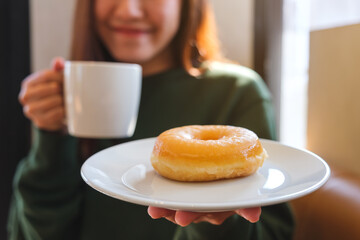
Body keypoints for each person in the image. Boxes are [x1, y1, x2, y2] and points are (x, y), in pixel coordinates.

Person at [8, 0, 294, 239]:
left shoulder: (236, 93)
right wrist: (50, 137)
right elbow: (32, 233)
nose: (130, 10)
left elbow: (274, 232)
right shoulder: (76, 95)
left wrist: (216, 221)